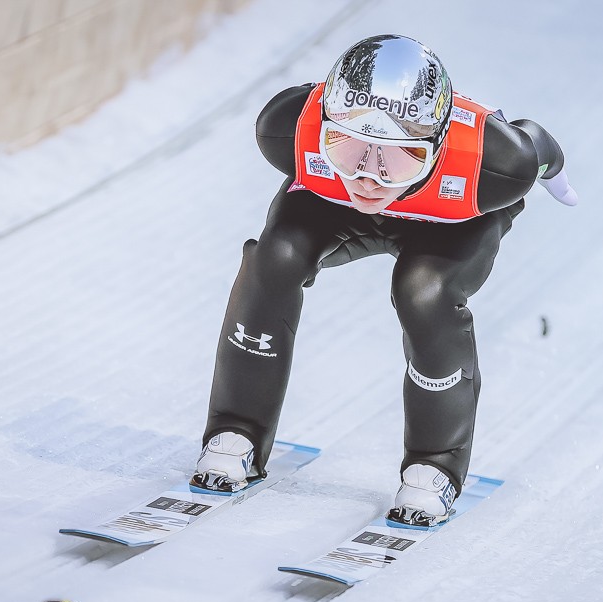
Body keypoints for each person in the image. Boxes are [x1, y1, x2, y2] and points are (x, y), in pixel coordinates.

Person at [191, 34, 577, 526]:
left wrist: (554, 170)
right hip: (332, 206)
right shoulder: (287, 127)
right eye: (348, 148)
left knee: (424, 293)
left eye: (398, 157)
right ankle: (237, 431)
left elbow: (536, 143)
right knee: (275, 259)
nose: (369, 178)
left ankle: (434, 466)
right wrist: (373, 165)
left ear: (437, 145)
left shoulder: (498, 162)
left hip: (450, 221)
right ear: (324, 128)